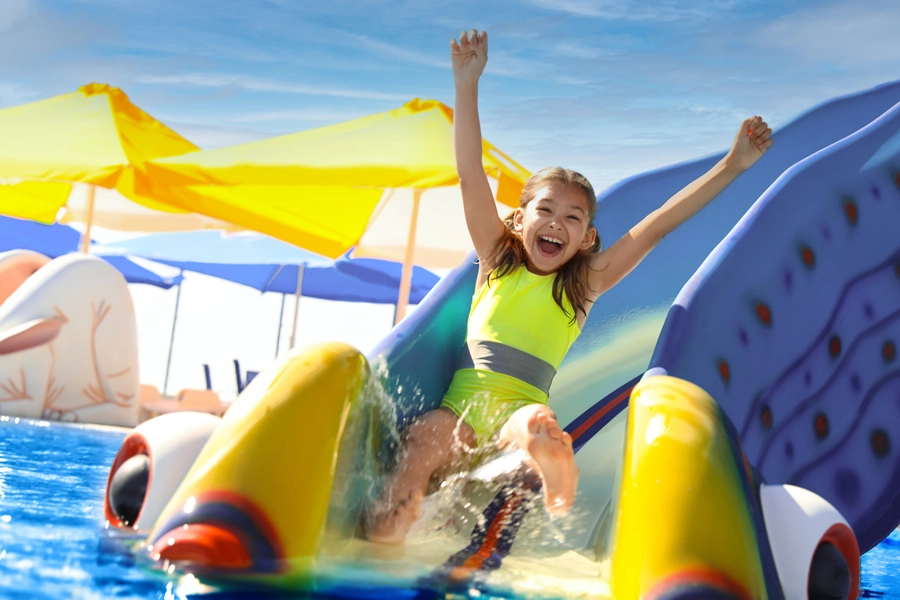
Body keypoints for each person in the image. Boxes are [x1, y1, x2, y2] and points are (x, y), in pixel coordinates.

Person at [363, 29, 773, 545]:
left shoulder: (583, 285)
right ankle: (382, 546)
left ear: (587, 237)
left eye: (573, 217)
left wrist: (731, 166)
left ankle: (548, 471)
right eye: (546, 210)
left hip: (521, 410)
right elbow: (470, 174)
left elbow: (659, 224)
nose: (557, 223)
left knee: (537, 429)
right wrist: (465, 85)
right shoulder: (496, 259)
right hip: (462, 408)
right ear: (519, 218)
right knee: (421, 443)